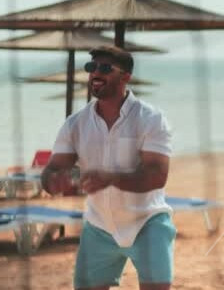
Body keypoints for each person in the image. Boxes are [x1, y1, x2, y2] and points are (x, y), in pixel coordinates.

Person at [40, 45, 175, 290]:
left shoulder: (151, 119)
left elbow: (157, 175)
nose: (95, 73)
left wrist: (111, 178)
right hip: (99, 227)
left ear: (125, 77)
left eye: (104, 68)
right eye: (91, 67)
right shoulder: (75, 124)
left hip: (148, 224)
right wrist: (53, 181)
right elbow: (52, 170)